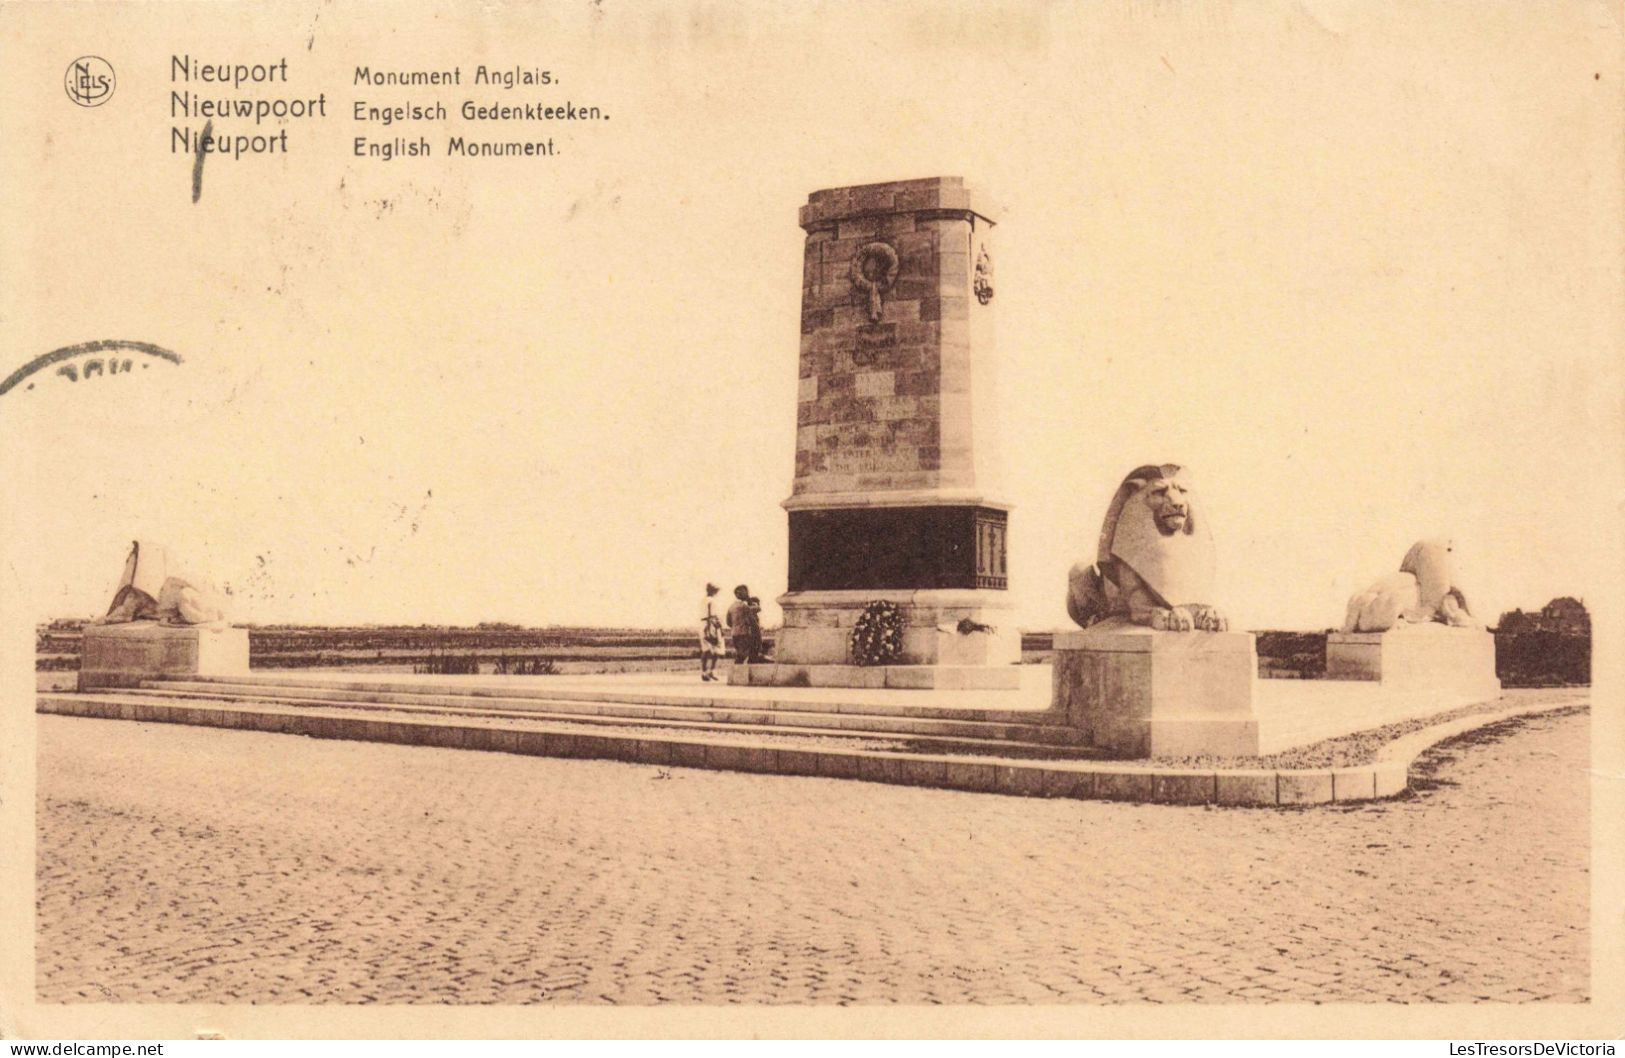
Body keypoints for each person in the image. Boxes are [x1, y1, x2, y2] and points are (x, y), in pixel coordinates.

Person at [726, 584, 760, 666]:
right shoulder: (745, 606)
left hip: (734, 633)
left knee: (740, 654)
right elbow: (758, 609)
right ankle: (737, 674)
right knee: (744, 655)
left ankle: (737, 674)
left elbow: (728, 622)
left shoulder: (731, 607)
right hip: (744, 633)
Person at [699, 583, 726, 681]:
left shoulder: (704, 600)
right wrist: (716, 627)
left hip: (705, 625)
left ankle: (705, 672)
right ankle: (710, 670)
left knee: (706, 650)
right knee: (717, 649)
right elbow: (711, 615)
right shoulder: (712, 601)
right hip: (710, 625)